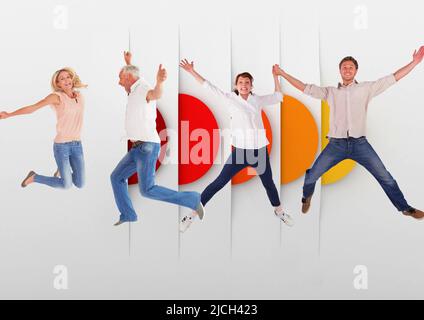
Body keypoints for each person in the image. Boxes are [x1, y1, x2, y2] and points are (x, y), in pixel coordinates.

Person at [274, 46, 424, 219]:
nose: (347, 69)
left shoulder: (367, 88)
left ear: (356, 71)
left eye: (350, 67)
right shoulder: (330, 92)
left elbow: (393, 78)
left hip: (360, 145)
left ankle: (405, 208)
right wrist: (282, 74)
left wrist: (414, 63)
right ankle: (306, 197)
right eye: (344, 67)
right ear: (340, 70)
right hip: (336, 145)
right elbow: (305, 88)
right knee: (312, 176)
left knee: (386, 177)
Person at [179, 59, 293, 233]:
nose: (244, 85)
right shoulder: (230, 98)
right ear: (236, 85)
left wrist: (275, 76)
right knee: (219, 182)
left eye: (247, 83)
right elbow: (208, 86)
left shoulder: (257, 100)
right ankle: (192, 214)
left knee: (268, 183)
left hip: (259, 151)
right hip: (240, 152)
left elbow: (278, 96)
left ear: (251, 85)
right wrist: (191, 71)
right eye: (241, 82)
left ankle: (279, 212)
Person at [111, 52, 204, 226]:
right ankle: (128, 214)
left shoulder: (144, 89)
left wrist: (160, 82)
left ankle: (192, 199)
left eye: (121, 78)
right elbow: (134, 77)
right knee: (116, 177)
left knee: (147, 190)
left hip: (147, 147)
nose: (119, 82)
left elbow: (156, 94)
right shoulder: (133, 88)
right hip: (136, 148)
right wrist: (128, 62)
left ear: (129, 77)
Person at [0, 68, 87, 190]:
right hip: (62, 146)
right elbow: (33, 108)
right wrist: (9, 114)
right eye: (62, 79)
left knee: (80, 183)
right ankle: (35, 177)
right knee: (66, 185)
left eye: (68, 77)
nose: (66, 80)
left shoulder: (79, 95)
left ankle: (63, 169)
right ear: (58, 84)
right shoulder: (57, 97)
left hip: (77, 145)